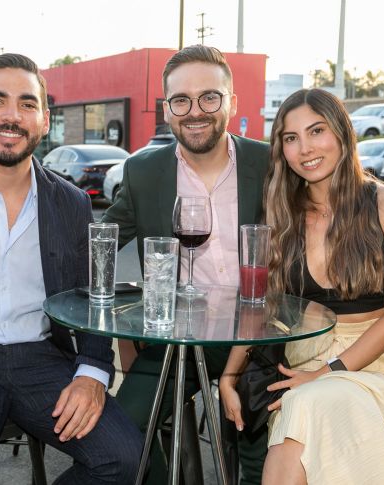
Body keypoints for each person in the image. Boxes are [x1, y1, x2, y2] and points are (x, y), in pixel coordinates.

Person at [0, 53, 143, 484]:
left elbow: (93, 296)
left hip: (42, 358)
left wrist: (93, 373)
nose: (12, 116)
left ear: (45, 120)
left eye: (27, 104)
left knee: (124, 458)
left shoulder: (71, 202)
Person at [219, 88, 384, 484]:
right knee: (300, 409)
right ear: (281, 149)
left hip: (379, 367)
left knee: (304, 405)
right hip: (303, 366)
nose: (305, 148)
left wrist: (329, 371)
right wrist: (228, 377)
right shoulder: (280, 217)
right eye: (291, 138)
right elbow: (257, 305)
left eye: (316, 131)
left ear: (341, 132)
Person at [102, 44, 272, 485]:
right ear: (167, 108)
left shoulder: (270, 163)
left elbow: (332, 209)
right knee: (119, 431)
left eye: (209, 97)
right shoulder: (142, 171)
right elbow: (99, 241)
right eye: (181, 99)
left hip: (257, 338)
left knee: (258, 443)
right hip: (176, 340)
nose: (195, 111)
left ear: (231, 102)